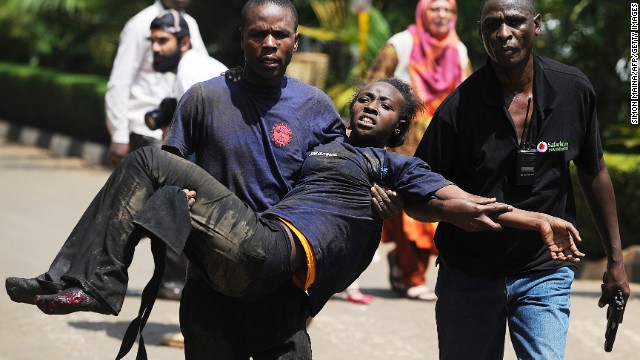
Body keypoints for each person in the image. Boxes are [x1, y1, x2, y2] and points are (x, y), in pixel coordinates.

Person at [5, 77, 582, 320]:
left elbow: (464, 203)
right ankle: (82, 281)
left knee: (148, 159)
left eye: (383, 105)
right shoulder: (321, 142)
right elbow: (257, 138)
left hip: (277, 252)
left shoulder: (395, 165)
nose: (367, 106)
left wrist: (537, 220)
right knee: (153, 178)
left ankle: (100, 285)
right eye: (362, 98)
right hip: (245, 253)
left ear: (400, 125)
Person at [412, 0, 631, 358]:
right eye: (491, 26)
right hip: (469, 273)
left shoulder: (573, 90)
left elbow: (595, 171)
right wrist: (453, 213)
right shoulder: (458, 109)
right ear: (481, 34)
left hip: (544, 269)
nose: (503, 34)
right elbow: (416, 195)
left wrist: (616, 262)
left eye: (515, 21)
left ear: (537, 25)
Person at [365, 0, 472, 300]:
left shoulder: (458, 49)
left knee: (436, 203)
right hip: (404, 141)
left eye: (448, 10)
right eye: (435, 9)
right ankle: (412, 275)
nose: (442, 15)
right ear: (423, 12)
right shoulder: (402, 44)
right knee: (408, 206)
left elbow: (468, 95)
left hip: (444, 139)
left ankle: (407, 269)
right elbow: (373, 84)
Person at [105, 0, 208, 301]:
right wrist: (119, 133)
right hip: (146, 129)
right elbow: (120, 80)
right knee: (159, 206)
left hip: (172, 126)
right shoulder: (140, 25)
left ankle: (173, 278)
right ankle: (170, 278)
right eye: (156, 41)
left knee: (168, 206)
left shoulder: (189, 23)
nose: (157, 47)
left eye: (163, 41)